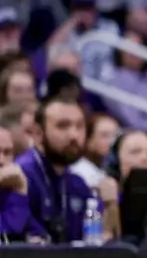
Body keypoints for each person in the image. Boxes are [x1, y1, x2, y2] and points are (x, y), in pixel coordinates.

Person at [14, 98, 94, 244]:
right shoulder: (21, 177)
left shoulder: (77, 183)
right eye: (62, 126)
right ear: (38, 133)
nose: (74, 135)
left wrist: (110, 206)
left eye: (80, 126)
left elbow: (97, 235)